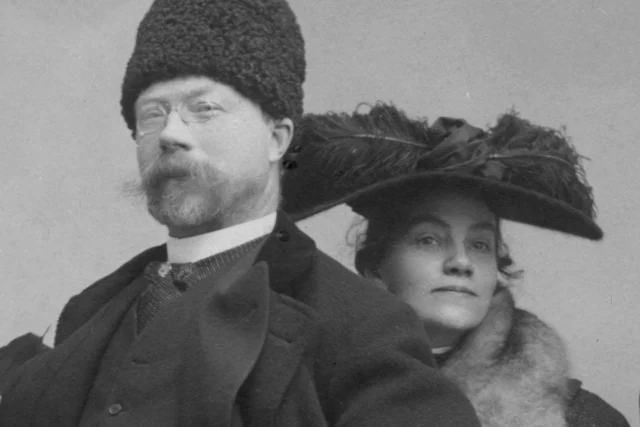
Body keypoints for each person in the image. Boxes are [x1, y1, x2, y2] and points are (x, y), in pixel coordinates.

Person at [0, 2, 483, 426]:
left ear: (277, 140)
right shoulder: (90, 312)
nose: (170, 134)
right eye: (152, 115)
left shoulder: (361, 326)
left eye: (204, 109)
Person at [283, 102, 631, 426]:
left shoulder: (588, 419)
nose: (461, 262)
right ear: (375, 266)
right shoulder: (302, 400)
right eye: (429, 240)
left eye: (480, 245)